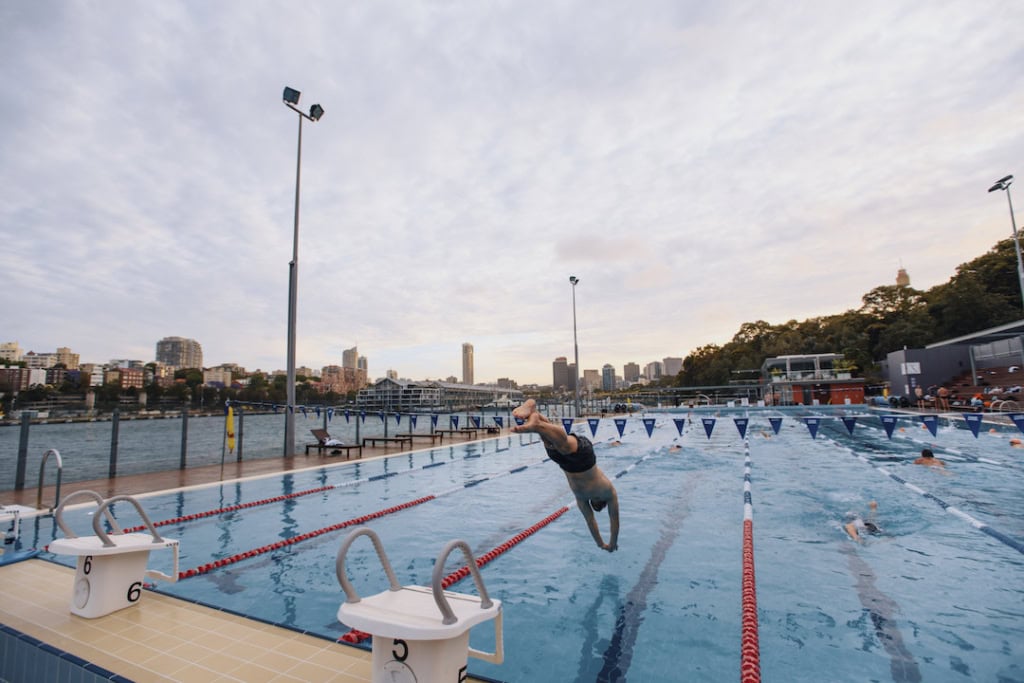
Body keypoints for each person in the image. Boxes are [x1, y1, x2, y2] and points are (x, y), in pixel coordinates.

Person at [512, 399, 620, 552]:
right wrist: (607, 543)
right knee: (561, 446)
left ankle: (534, 416)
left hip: (568, 464)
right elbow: (607, 520)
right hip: (583, 459)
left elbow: (598, 521)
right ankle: (534, 417)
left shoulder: (588, 498)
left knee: (551, 443)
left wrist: (605, 543)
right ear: (598, 503)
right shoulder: (604, 493)